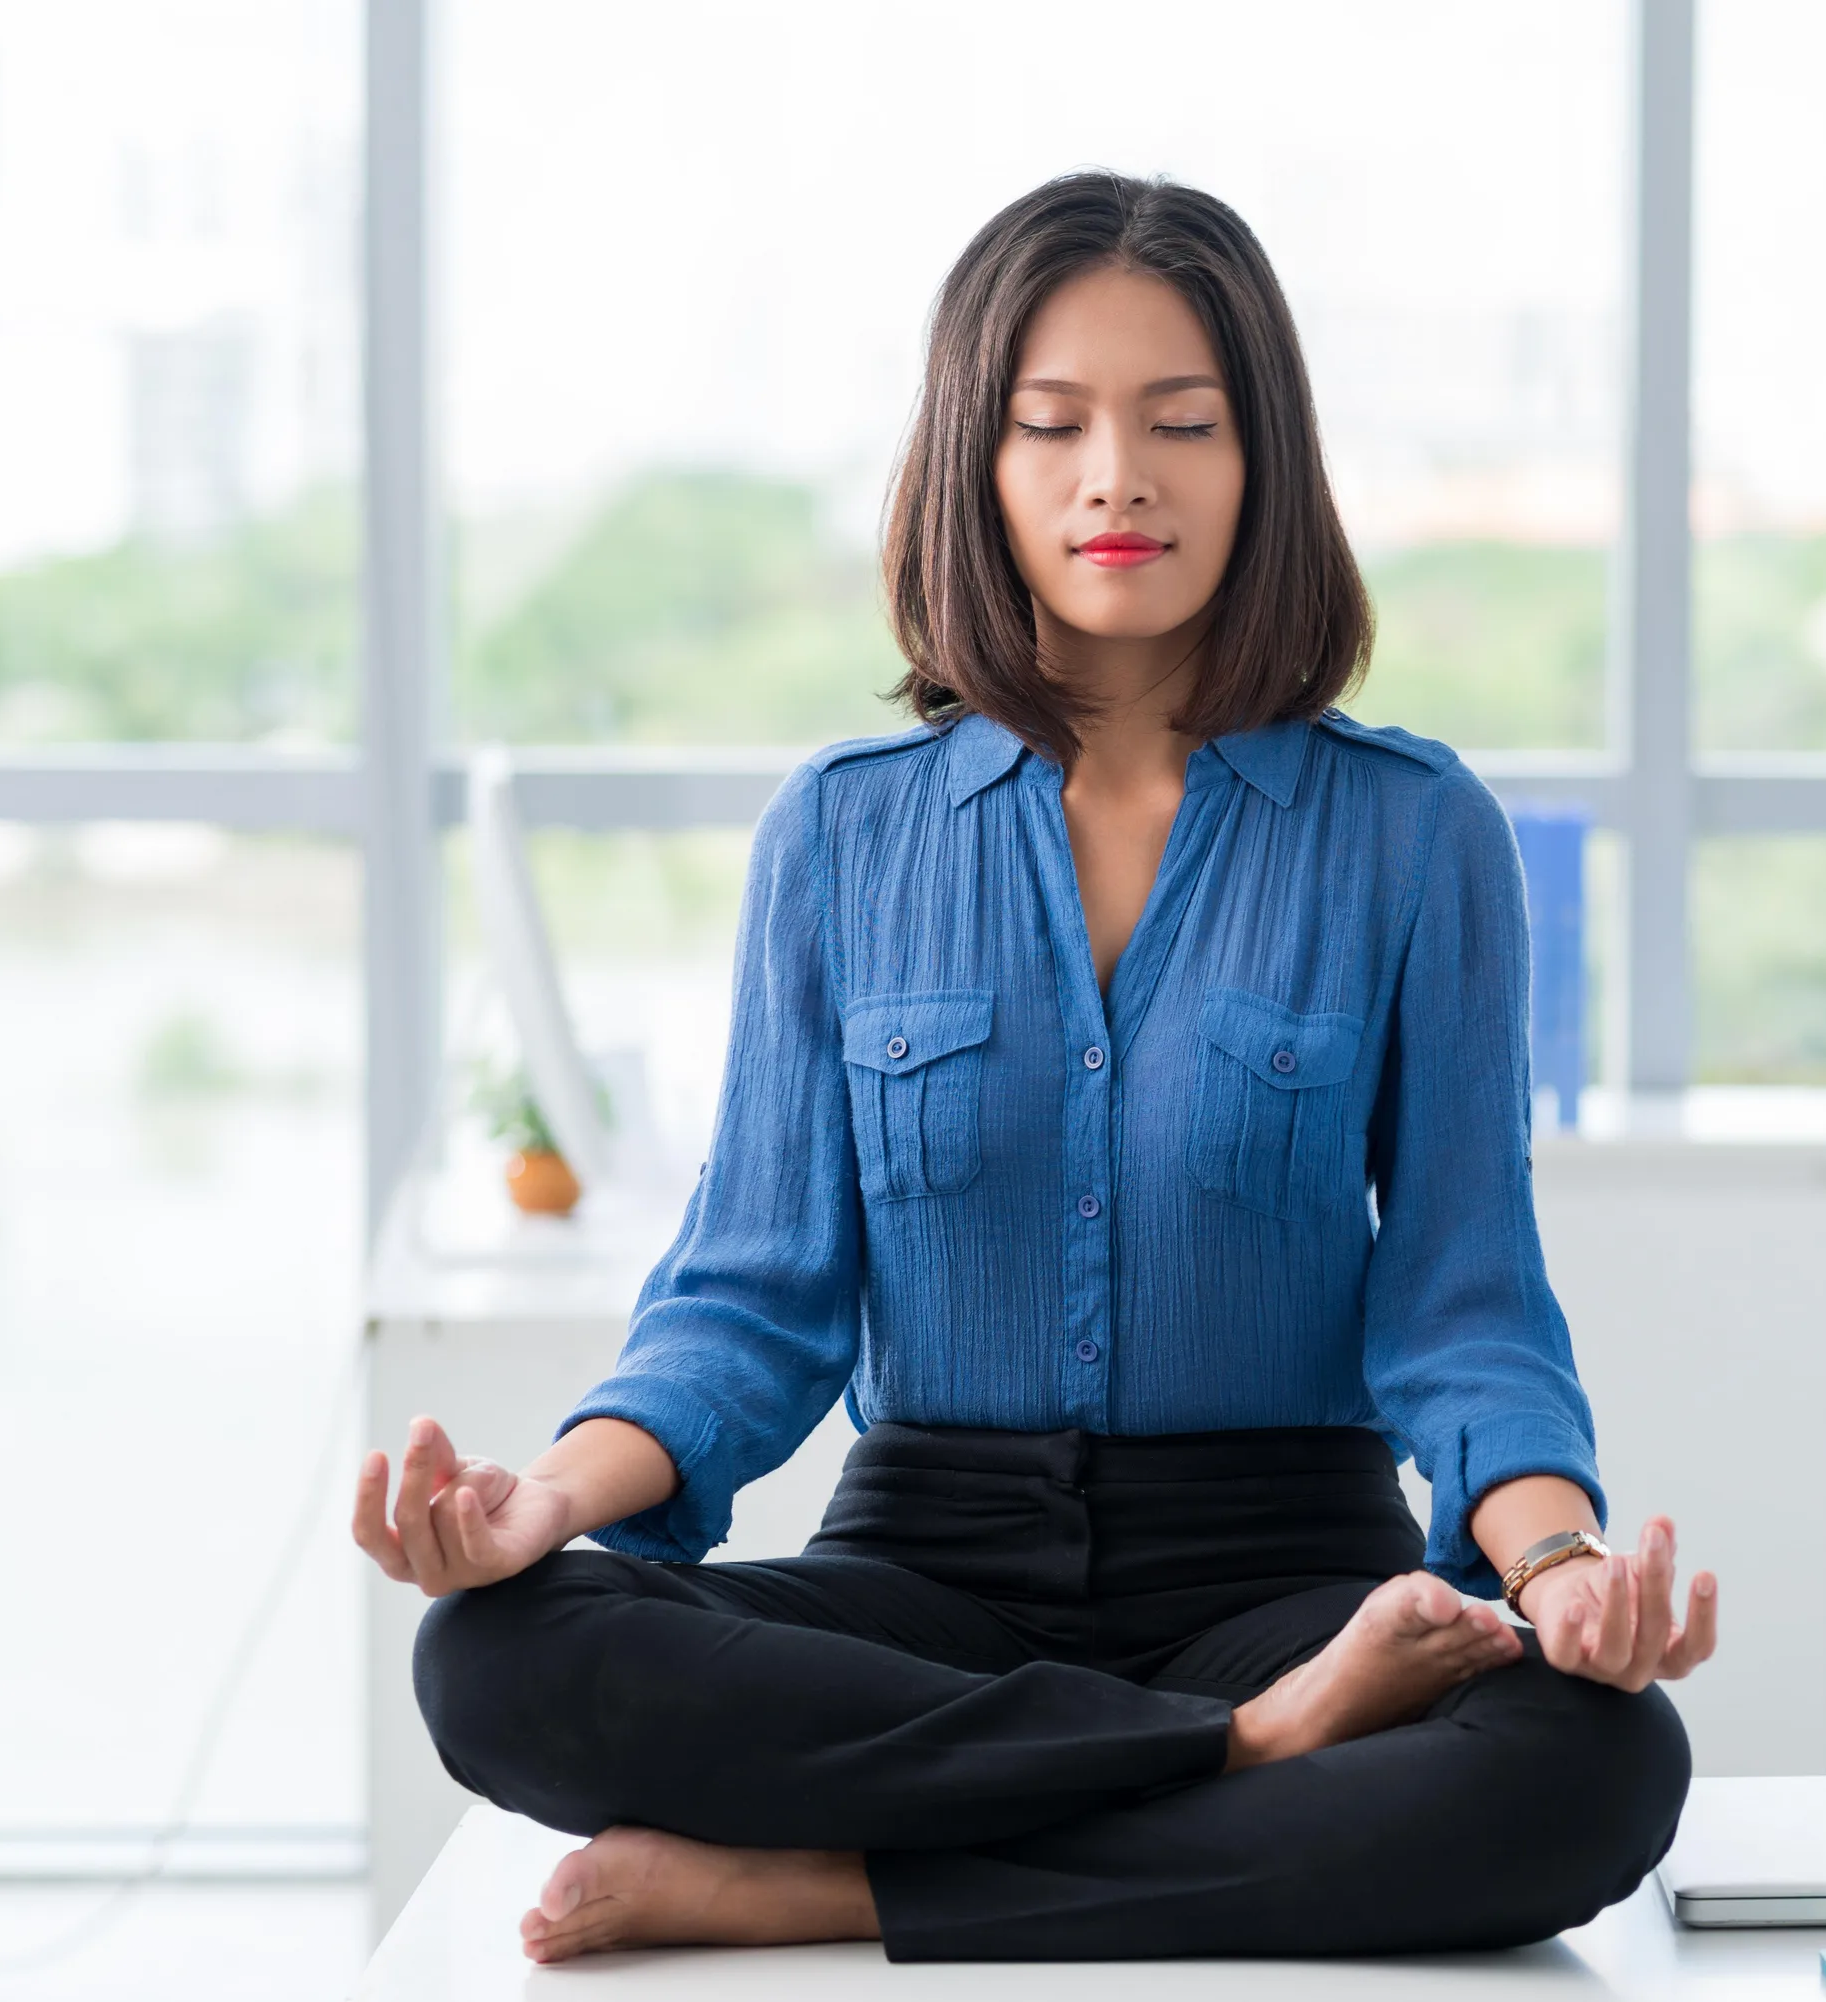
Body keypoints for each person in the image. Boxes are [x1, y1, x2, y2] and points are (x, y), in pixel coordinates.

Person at [348, 170, 1715, 1966]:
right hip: (929, 1571)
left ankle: (828, 1882)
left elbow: (1465, 1298)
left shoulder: (1413, 831)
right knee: (496, 1653)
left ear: (1265, 459)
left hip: (1288, 1563)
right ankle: (1248, 1756)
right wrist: (545, 1497)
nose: (1116, 478)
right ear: (973, 464)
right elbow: (751, 1299)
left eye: (1182, 423)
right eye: (1052, 423)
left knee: (1595, 1761)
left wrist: (1557, 1566)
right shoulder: (842, 833)